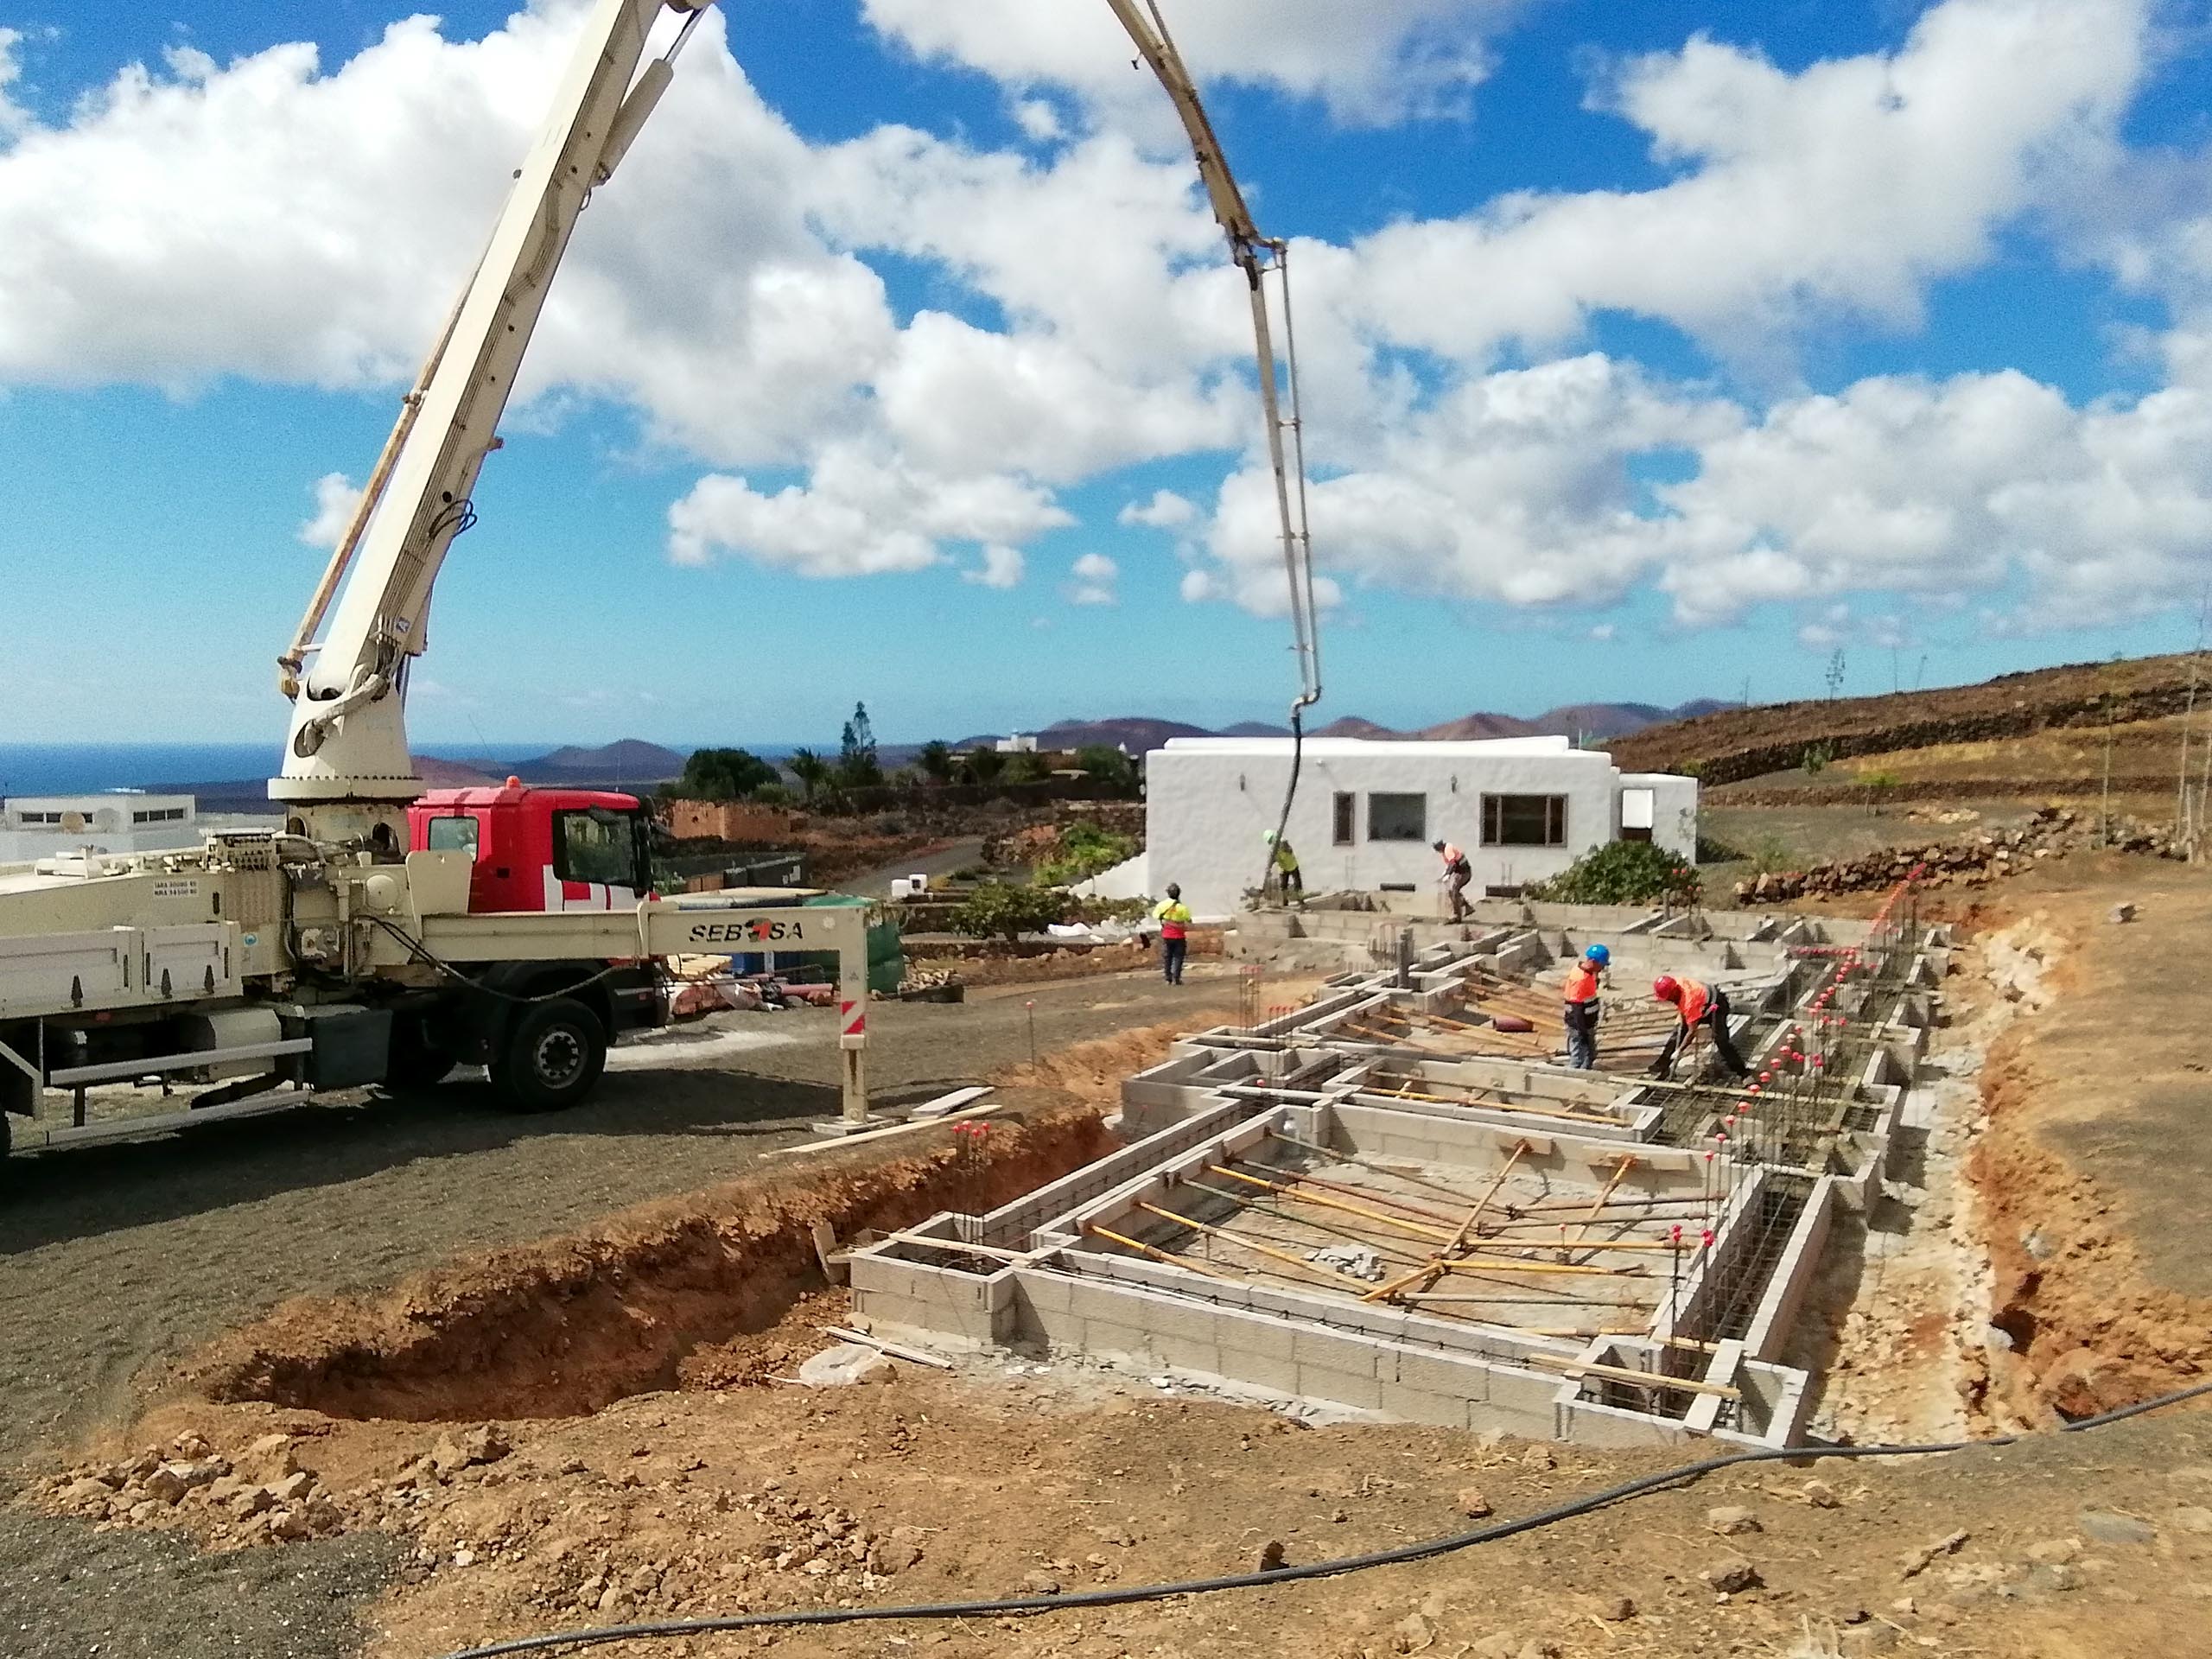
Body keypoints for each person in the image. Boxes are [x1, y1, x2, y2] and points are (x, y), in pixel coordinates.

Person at [1649, 973, 1750, 1079]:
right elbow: (1682, 1004)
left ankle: (1742, 1072)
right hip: (1701, 1004)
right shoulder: (1677, 983)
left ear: (1673, 992)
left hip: (1716, 1006)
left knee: (1722, 1042)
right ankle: (1662, 1065)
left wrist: (1680, 1050)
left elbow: (1692, 1032)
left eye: (1668, 998)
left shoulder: (1689, 1002)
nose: (1668, 1000)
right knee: (1677, 1035)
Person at [1562, 942, 1608, 1070]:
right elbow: (1576, 1008)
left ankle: (1585, 1076)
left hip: (1587, 1023)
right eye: (1602, 965)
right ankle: (1572, 1079)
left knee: (1590, 1055)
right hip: (1579, 1025)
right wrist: (1583, 1033)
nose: (1603, 968)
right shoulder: (1580, 979)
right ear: (1594, 961)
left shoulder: (1585, 971)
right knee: (1578, 1057)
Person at [1154, 882, 1192, 985]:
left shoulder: (1161, 905)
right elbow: (1188, 919)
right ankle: (1177, 978)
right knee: (1178, 956)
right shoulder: (1182, 908)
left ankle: (1168, 978)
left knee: (1167, 957)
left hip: (1166, 935)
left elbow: (1156, 915)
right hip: (1179, 936)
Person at [1433, 839, 1472, 921]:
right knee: (1453, 892)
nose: (1437, 851)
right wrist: (1445, 873)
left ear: (1440, 846)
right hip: (1461, 873)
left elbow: (1452, 864)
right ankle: (1467, 907)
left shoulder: (1448, 850)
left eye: (1437, 848)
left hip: (1464, 873)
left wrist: (1448, 875)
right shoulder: (1446, 850)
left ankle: (1457, 916)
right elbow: (1450, 865)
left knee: (1454, 892)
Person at [1264, 830, 1303, 903]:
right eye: (1270, 840)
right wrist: (1269, 864)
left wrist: (1284, 847)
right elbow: (1271, 862)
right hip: (1283, 868)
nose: (1272, 841)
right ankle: (1285, 902)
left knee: (1297, 884)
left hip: (1293, 865)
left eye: (1272, 838)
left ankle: (1300, 900)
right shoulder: (1272, 851)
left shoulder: (1283, 842)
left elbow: (1289, 850)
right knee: (1283, 886)